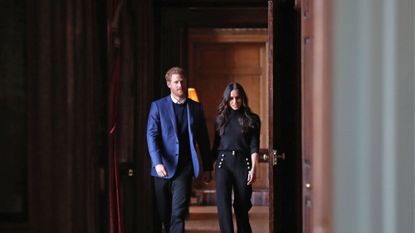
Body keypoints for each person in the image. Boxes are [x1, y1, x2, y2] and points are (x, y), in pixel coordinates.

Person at [146, 66, 212, 233]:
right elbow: (151, 136)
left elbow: (203, 139)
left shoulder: (195, 108)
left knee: (178, 213)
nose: (180, 85)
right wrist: (157, 162)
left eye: (182, 81)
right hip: (162, 168)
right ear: (169, 84)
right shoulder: (158, 106)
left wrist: (208, 167)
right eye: (176, 82)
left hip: (185, 168)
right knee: (165, 213)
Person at [212, 82, 260, 233]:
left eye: (238, 98)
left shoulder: (252, 119)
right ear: (226, 100)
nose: (235, 102)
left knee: (242, 205)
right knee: (223, 206)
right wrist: (207, 169)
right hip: (222, 163)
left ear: (243, 98)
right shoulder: (220, 119)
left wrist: (254, 168)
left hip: (242, 163)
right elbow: (215, 146)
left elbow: (254, 145)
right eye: (231, 98)